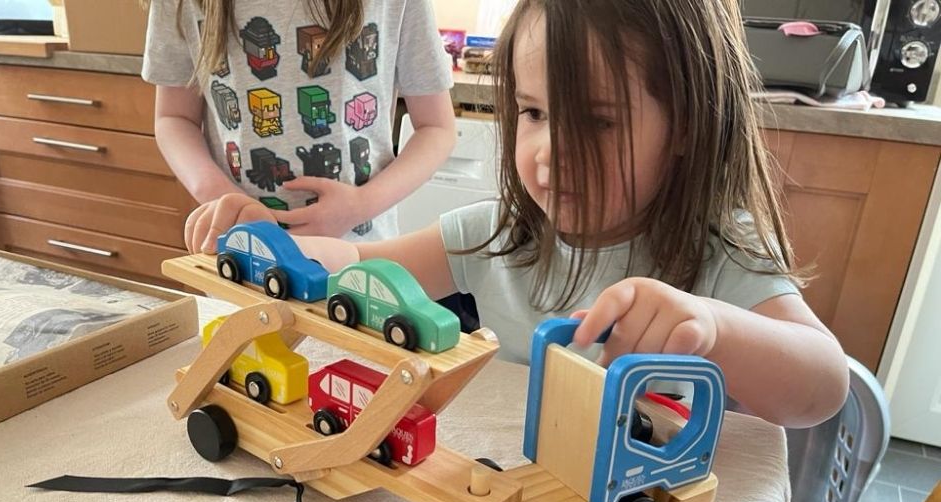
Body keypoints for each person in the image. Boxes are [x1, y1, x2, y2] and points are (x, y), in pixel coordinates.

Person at [186, 0, 849, 429]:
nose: (549, 152)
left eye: (598, 121)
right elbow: (356, 266)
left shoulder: (718, 248)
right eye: (533, 113)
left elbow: (822, 388)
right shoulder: (499, 234)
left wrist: (714, 326)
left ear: (686, 125)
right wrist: (268, 242)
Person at [142, 0, 456, 246]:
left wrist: (361, 204)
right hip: (240, 250)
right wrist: (222, 197)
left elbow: (436, 129)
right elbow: (174, 118)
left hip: (362, 257)